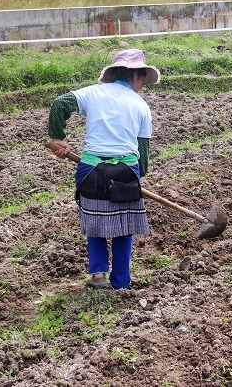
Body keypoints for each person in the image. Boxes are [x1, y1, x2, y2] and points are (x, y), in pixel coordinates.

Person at [48, 49, 160, 289]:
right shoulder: (141, 106)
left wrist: (57, 138)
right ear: (137, 76)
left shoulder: (92, 93)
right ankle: (121, 282)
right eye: (143, 80)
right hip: (126, 171)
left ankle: (98, 274)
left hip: (90, 170)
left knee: (94, 222)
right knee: (124, 227)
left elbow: (60, 104)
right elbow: (143, 156)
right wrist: (137, 179)